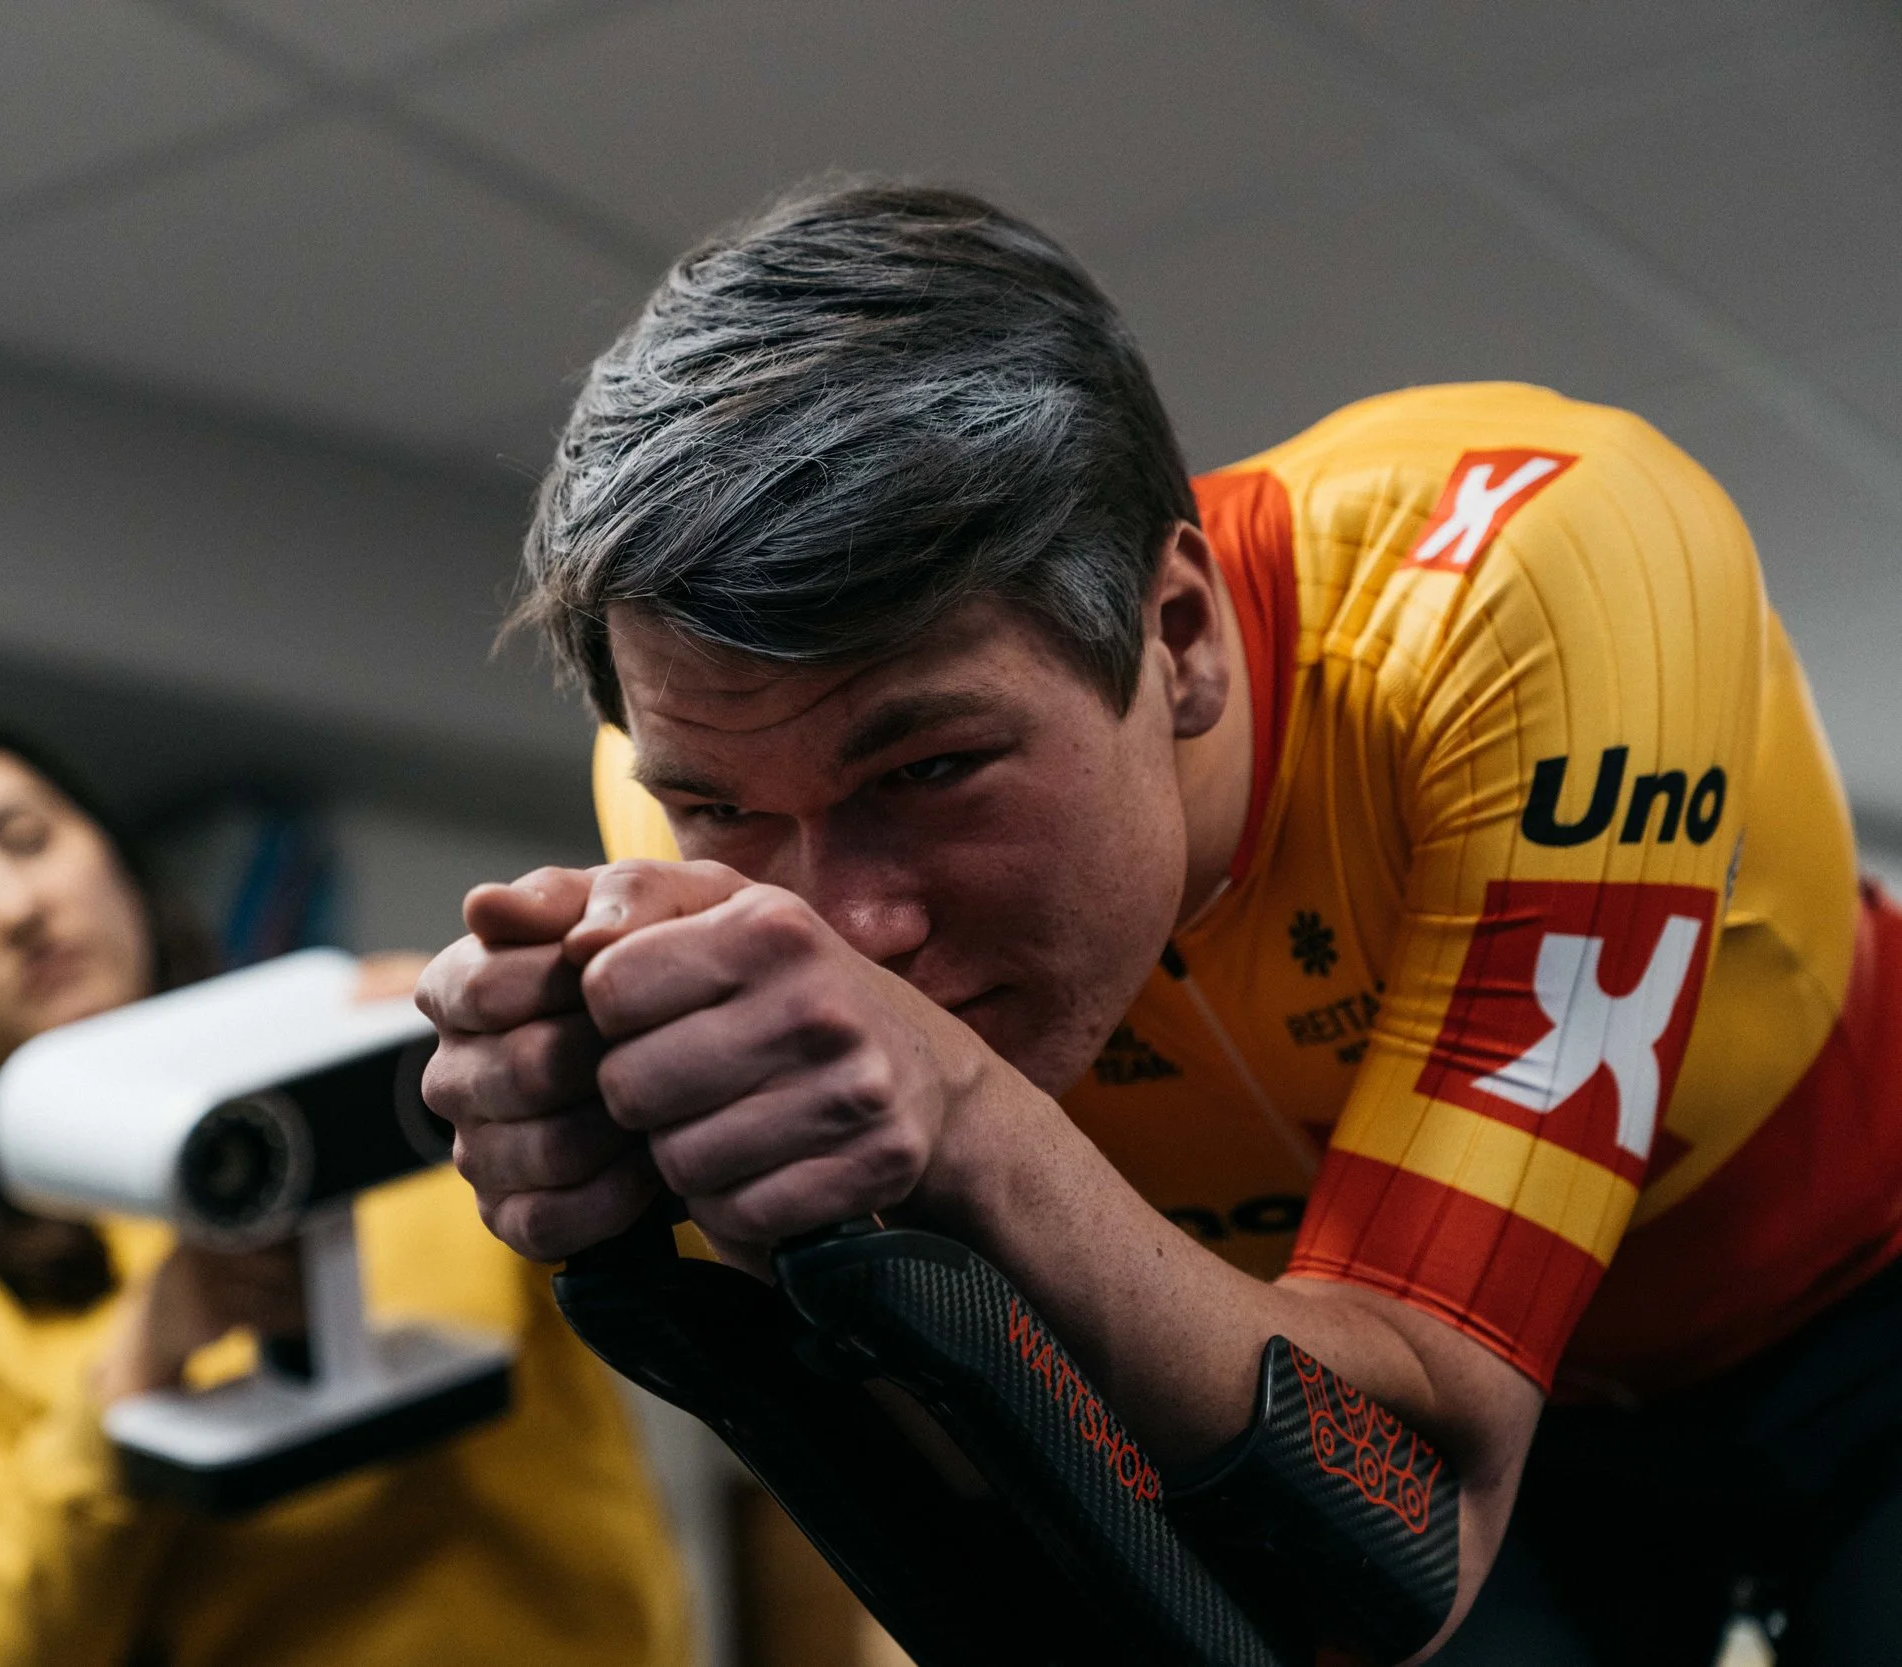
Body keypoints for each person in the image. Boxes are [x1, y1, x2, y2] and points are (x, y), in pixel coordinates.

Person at [415, 183, 1902, 1665]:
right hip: (1379, 1369)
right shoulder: (682, 805)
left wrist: (969, 1119)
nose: (850, 925)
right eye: (721, 806)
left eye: (929, 768)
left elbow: (1421, 1511)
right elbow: (1064, 1554)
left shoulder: (1529, 594)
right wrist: (679, 1246)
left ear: (1179, 637)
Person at [0, 717, 689, 1667]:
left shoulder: (398, 1084)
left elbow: (714, 1265)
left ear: (111, 857)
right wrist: (133, 1374)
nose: (15, 905)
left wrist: (556, 1052)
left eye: (26, 838)